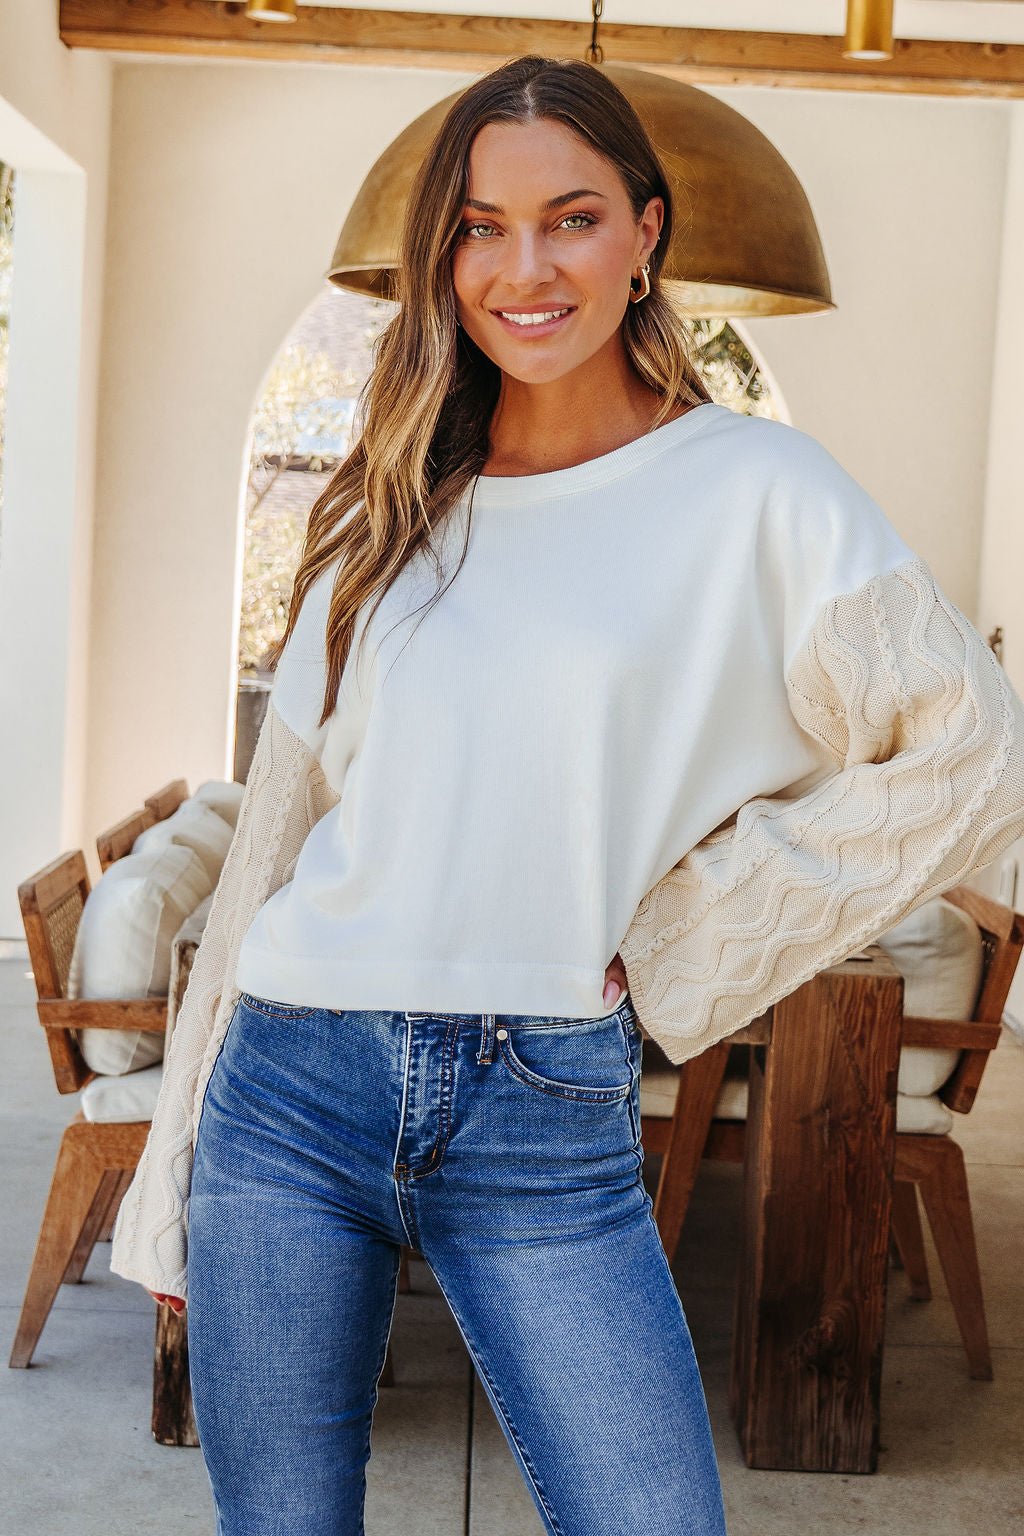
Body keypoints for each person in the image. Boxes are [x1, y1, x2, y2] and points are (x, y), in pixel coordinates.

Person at [109, 54, 1024, 1536]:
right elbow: (270, 853)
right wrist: (171, 1175)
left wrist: (686, 947)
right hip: (286, 1088)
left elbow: (979, 759)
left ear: (648, 233)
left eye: (572, 218)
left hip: (541, 1102)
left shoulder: (758, 494)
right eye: (478, 227)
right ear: (441, 254)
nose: (522, 269)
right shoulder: (390, 505)